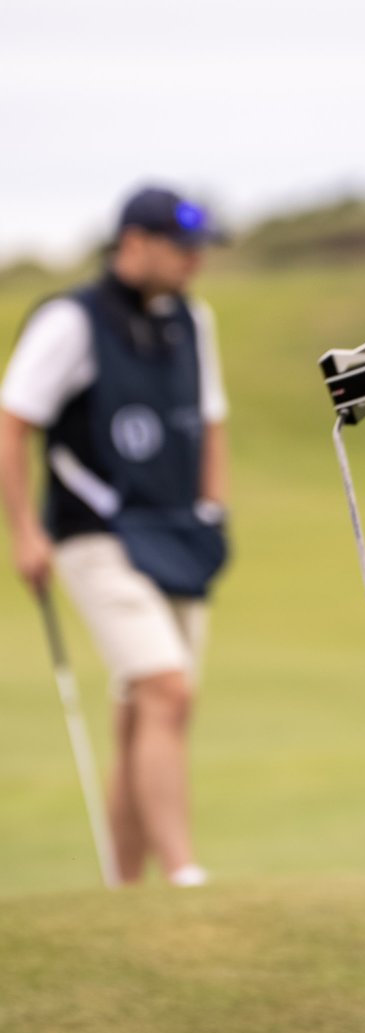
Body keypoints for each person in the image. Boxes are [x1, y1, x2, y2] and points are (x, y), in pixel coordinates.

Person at [0, 184, 231, 888]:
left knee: (144, 708)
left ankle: (126, 891)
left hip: (176, 535)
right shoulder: (71, 320)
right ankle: (183, 870)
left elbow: (211, 420)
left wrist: (211, 508)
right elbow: (14, 420)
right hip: (94, 535)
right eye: (179, 246)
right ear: (133, 243)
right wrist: (25, 532)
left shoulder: (194, 319)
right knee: (166, 689)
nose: (194, 259)